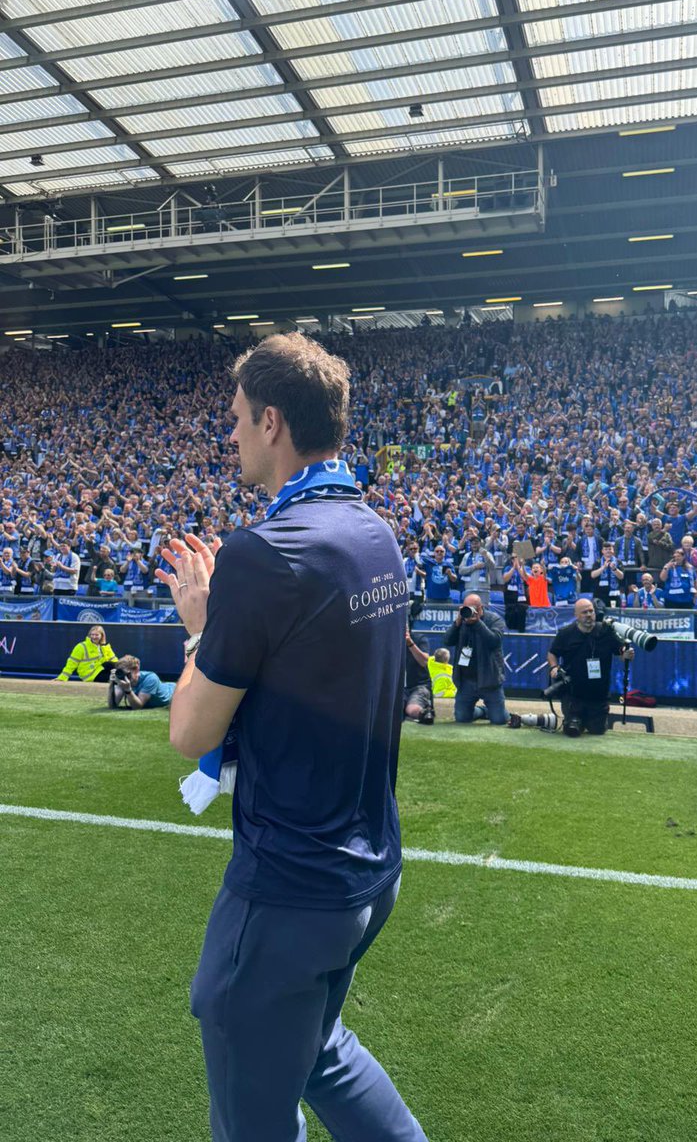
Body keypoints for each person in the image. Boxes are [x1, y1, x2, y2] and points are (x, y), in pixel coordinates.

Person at [154, 332, 427, 1142]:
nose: (230, 434)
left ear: (272, 421)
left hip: (290, 887)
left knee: (253, 1100)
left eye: (236, 418)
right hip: (370, 868)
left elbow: (189, 729)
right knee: (315, 1051)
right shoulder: (375, 532)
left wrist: (201, 630)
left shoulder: (264, 554)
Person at [543, 598, 633, 737]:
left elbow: (621, 652)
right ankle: (573, 719)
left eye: (591, 611)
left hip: (599, 694)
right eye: (584, 612)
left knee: (597, 731)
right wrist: (554, 667)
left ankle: (589, 720)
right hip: (573, 694)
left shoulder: (606, 631)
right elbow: (552, 653)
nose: (589, 615)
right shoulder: (566, 633)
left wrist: (626, 655)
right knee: (573, 730)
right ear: (576, 615)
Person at [442, 592, 508, 723]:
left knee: (499, 720)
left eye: (472, 608)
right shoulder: (462, 621)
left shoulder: (494, 620)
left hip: (490, 679)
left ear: (480, 608)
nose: (469, 611)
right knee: (462, 718)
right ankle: (483, 711)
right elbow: (447, 641)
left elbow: (494, 641)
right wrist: (457, 623)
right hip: (467, 680)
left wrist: (477, 623)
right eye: (466, 607)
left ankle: (494, 711)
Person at [107, 653, 175, 708]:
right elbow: (112, 705)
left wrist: (128, 690)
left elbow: (138, 706)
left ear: (136, 669)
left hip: (174, 691)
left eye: (127, 673)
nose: (124, 676)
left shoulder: (151, 678)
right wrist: (112, 684)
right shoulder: (122, 679)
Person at [403, 627, 435, 724]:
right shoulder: (387, 641)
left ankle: (424, 713)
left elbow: (424, 661)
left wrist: (410, 644)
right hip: (397, 687)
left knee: (411, 708)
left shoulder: (419, 639)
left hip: (419, 686)